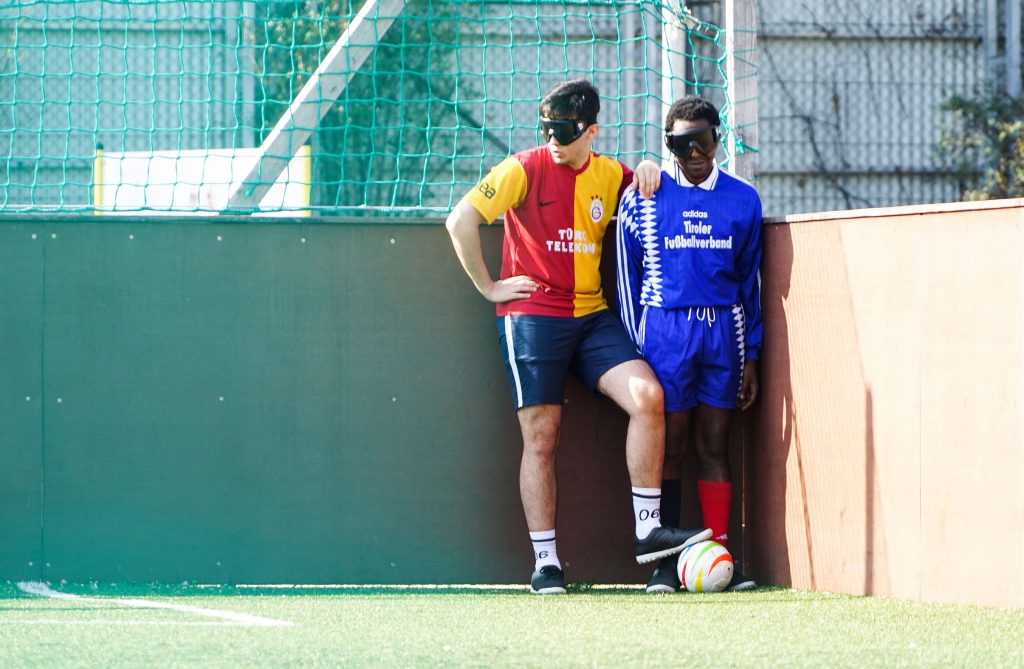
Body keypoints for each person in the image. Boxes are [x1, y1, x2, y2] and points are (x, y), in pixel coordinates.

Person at [446, 79, 711, 594]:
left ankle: (646, 531)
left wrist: (651, 170)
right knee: (542, 439)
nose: (553, 141)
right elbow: (460, 221)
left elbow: (644, 187)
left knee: (648, 396)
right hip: (531, 316)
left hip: (591, 316)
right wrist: (490, 288)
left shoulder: (611, 173)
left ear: (591, 131)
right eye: (547, 130)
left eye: (564, 132)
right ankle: (546, 563)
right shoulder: (520, 168)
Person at [616, 96, 763, 593]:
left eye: (703, 141)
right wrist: (639, 345)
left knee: (714, 444)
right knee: (672, 446)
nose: (695, 152)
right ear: (668, 146)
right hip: (667, 332)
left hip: (723, 331)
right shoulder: (644, 194)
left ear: (718, 139)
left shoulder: (744, 198)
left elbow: (750, 281)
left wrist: (753, 355)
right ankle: (667, 562)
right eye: (682, 144)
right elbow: (626, 277)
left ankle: (721, 555)